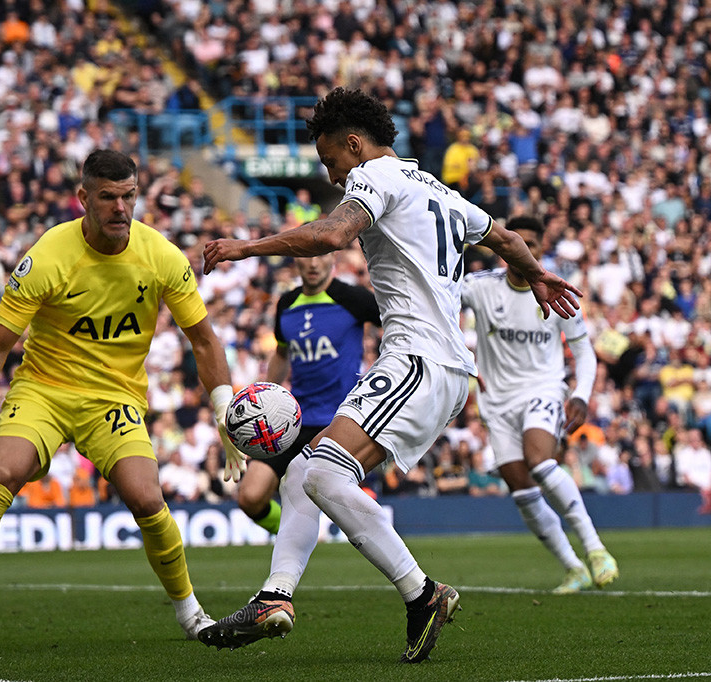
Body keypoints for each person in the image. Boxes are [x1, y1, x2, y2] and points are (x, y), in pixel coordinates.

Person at [199, 88, 581, 662]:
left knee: (324, 474)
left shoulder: (375, 175)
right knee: (305, 470)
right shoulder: (438, 190)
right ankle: (275, 596)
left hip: (419, 361)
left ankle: (421, 593)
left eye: (330, 161)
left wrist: (245, 247)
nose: (331, 174)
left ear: (354, 144)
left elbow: (330, 235)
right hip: (438, 367)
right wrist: (542, 276)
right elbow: (504, 239)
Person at [0, 150, 245, 651]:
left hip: (113, 397)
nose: (120, 208)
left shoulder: (162, 257)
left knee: (147, 498)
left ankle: (192, 612)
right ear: (83, 198)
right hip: (44, 389)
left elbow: (203, 340)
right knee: (2, 473)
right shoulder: (47, 256)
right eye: (107, 197)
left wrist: (225, 409)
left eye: (129, 196)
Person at [461, 215, 618, 594]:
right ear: (503, 247)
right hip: (496, 402)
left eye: (532, 243)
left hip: (543, 390)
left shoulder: (558, 290)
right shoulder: (479, 288)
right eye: (517, 242)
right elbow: (437, 295)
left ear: (541, 249)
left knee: (541, 461)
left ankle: (596, 549)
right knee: (519, 486)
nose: (524, 250)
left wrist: (580, 393)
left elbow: (584, 352)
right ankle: (573, 567)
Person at [238, 252, 380, 535]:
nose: (313, 263)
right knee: (250, 497)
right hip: (295, 420)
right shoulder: (287, 303)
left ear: (333, 259)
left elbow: (396, 325)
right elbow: (281, 353)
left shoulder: (354, 299)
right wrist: (267, 398)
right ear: (296, 261)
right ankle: (296, 537)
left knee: (324, 492)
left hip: (341, 421)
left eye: (320, 255)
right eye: (306, 256)